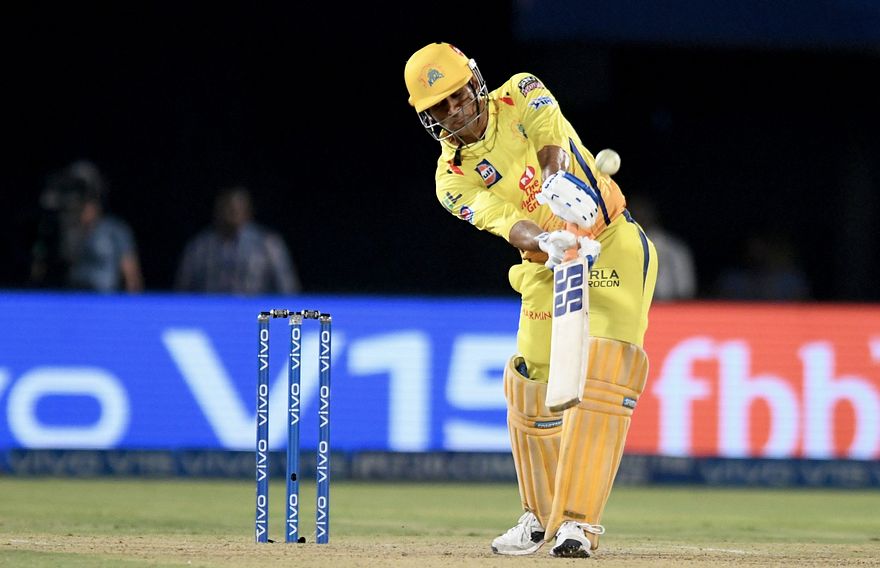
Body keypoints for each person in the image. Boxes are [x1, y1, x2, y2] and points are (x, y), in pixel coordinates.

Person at [404, 43, 657, 558]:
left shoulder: (521, 91)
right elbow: (503, 220)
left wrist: (555, 184)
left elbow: (549, 138)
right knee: (529, 382)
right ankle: (542, 518)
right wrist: (544, 239)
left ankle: (578, 524)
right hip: (549, 260)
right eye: (439, 106)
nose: (454, 109)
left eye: (458, 94)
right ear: (428, 117)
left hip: (609, 240)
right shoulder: (450, 178)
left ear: (475, 82)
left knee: (606, 369)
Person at [30, 160, 144, 293]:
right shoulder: (65, 229)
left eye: (87, 201)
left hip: (105, 296)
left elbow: (132, 274)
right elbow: (42, 267)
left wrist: (133, 300)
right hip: (74, 296)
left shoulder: (115, 229)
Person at [174, 186, 301, 295]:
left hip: (254, 311)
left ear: (248, 211)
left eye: (237, 208)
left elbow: (288, 288)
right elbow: (182, 290)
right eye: (227, 208)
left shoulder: (268, 244)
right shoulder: (199, 246)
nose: (231, 213)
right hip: (210, 311)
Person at [626, 193, 697, 301]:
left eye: (644, 212)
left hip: (669, 306)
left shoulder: (675, 249)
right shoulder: (619, 249)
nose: (640, 216)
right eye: (635, 213)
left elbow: (686, 290)